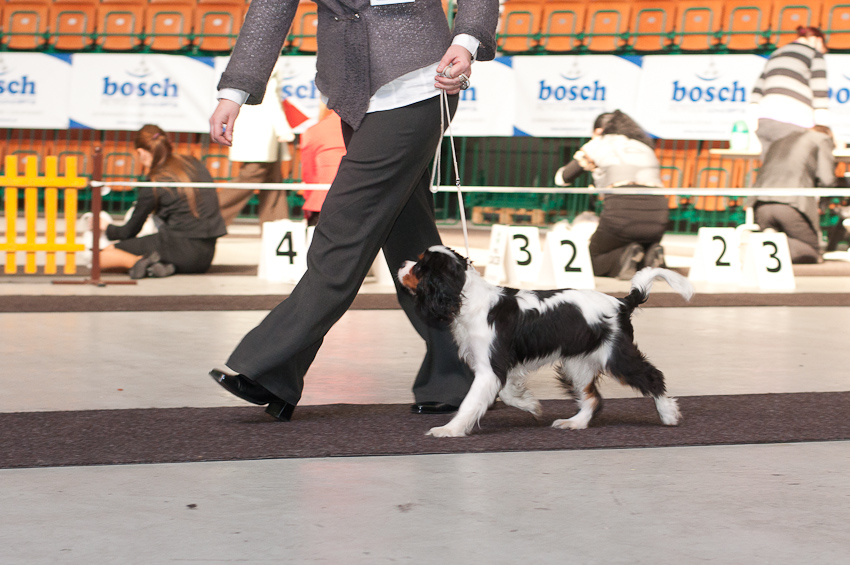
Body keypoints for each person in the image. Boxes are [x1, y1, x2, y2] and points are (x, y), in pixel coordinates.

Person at [207, 0, 499, 420]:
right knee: (410, 243)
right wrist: (233, 93)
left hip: (421, 85)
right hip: (353, 94)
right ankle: (462, 373)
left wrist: (466, 40)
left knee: (342, 232)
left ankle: (270, 368)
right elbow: (270, 9)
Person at [98, 124, 227, 279]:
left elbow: (128, 232)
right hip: (205, 257)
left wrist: (106, 227)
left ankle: (143, 263)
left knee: (101, 257)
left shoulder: (154, 181)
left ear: (141, 152)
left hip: (177, 247)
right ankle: (157, 265)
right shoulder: (194, 163)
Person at [554, 110, 668, 280]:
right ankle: (651, 254)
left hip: (621, 213)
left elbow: (563, 178)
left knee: (591, 259)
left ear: (598, 131)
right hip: (659, 218)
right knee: (637, 241)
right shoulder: (643, 146)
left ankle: (624, 256)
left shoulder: (598, 143)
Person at [217, 60, 295, 227]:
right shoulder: (267, 59)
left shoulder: (244, 58)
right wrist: (282, 129)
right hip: (262, 131)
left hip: (257, 129)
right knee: (253, 174)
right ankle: (209, 214)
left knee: (272, 180)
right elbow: (270, 97)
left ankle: (276, 225)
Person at [747, 125, 838, 264]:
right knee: (813, 251)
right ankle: (758, 247)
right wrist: (824, 203)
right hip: (791, 204)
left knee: (775, 239)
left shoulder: (780, 140)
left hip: (761, 204)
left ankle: (765, 242)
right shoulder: (822, 138)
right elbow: (828, 179)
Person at [749, 26, 829, 161]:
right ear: (817, 40)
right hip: (794, 121)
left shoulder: (776, 53)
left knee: (770, 168)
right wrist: (822, 129)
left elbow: (756, 93)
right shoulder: (814, 54)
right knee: (795, 168)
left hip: (765, 122)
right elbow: (819, 92)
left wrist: (753, 125)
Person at [299, 103, 346, 226]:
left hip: (321, 201)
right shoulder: (367, 130)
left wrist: (309, 198)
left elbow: (309, 173)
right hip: (359, 200)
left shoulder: (314, 131)